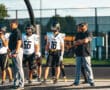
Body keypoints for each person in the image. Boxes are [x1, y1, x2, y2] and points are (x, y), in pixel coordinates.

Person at [71, 22, 95, 86]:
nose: (80, 27)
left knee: (88, 67)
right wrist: (81, 41)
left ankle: (91, 81)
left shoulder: (89, 33)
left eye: (82, 26)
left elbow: (86, 41)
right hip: (78, 53)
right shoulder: (78, 34)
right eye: (80, 26)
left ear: (85, 27)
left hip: (86, 53)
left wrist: (79, 41)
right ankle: (77, 81)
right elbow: (74, 43)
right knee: (77, 68)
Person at [8, 20, 24, 89]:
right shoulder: (13, 32)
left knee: (19, 68)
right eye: (11, 24)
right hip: (13, 50)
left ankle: (21, 84)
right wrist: (9, 51)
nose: (11, 25)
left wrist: (16, 52)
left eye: (12, 24)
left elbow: (19, 42)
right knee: (15, 68)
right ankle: (16, 83)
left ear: (16, 25)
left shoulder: (17, 31)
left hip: (17, 50)